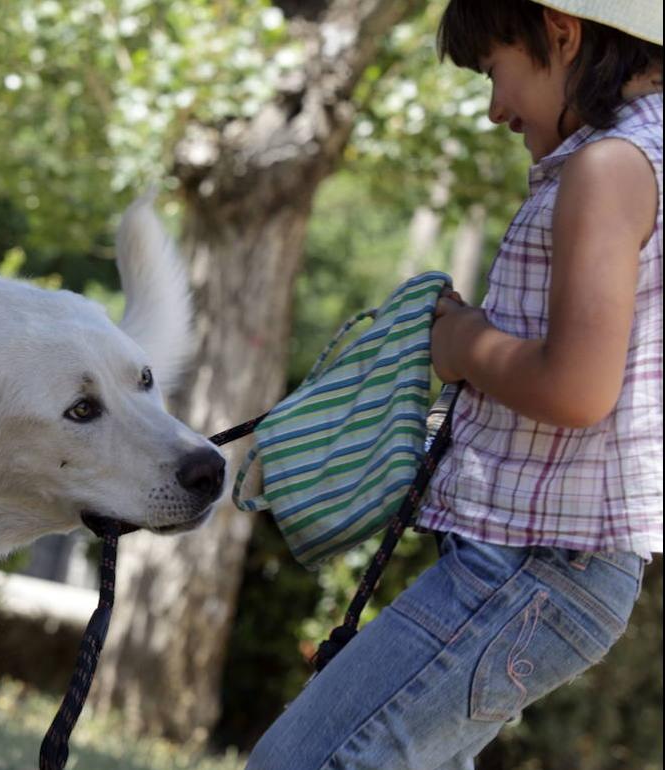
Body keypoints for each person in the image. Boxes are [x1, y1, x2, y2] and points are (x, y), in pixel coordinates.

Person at [246, 1, 662, 768]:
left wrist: (464, 343)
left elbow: (578, 389)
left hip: (536, 566)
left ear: (560, 33)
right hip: (551, 569)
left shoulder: (609, 167)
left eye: (494, 70)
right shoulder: (642, 155)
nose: (495, 108)